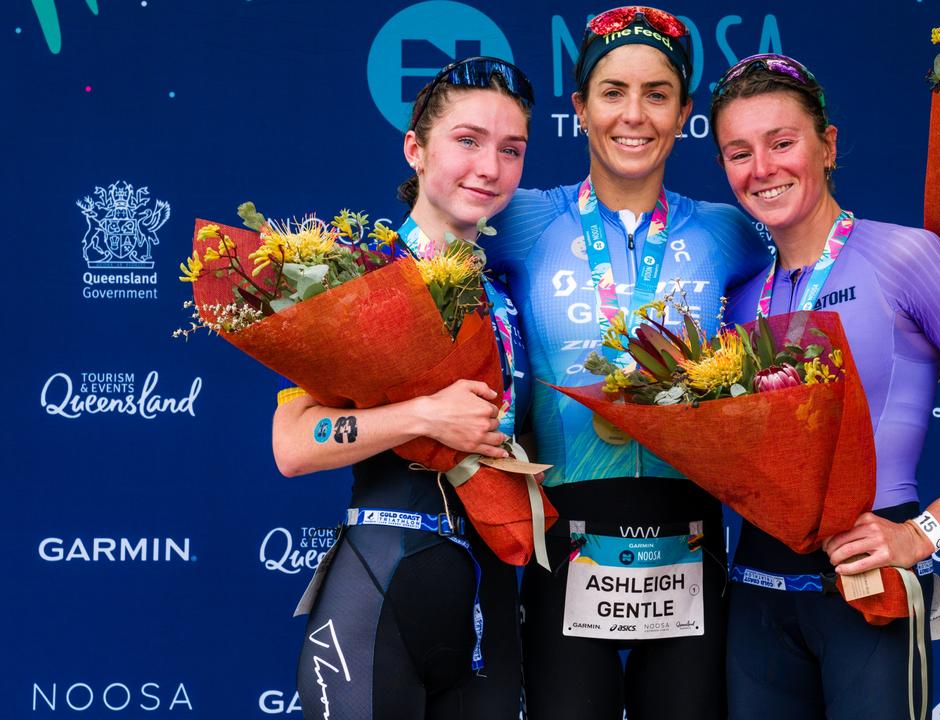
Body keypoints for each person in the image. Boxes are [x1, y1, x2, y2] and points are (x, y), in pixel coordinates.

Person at [711, 54, 940, 719]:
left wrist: (923, 533)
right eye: (739, 152)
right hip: (755, 594)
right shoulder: (739, 297)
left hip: (873, 587)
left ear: (828, 146)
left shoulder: (908, 258)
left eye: (782, 142)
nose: (762, 168)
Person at [482, 7, 770, 719]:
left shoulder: (730, 231)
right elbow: (419, 269)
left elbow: (815, 296)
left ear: (683, 115)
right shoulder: (520, 217)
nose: (632, 115)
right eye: (612, 92)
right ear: (579, 108)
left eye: (656, 93)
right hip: (563, 545)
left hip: (691, 543)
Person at [272, 57, 536, 719]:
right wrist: (425, 415)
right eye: (468, 141)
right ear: (415, 149)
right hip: (377, 601)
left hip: (491, 605)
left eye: (511, 150)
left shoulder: (506, 294)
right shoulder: (357, 279)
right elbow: (293, 446)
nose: (490, 167)